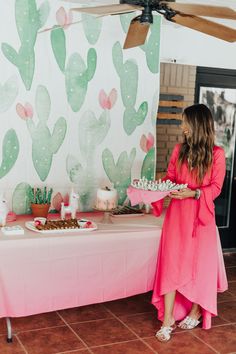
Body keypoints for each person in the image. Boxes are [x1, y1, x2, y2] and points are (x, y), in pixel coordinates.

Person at [151, 103, 228, 342]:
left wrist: (193, 194)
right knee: (171, 264)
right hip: (177, 217)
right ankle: (168, 320)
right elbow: (171, 177)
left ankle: (196, 310)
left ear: (196, 124)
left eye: (185, 121)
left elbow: (216, 188)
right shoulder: (178, 150)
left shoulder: (217, 154)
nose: (181, 126)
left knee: (199, 266)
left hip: (202, 218)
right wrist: (157, 187)